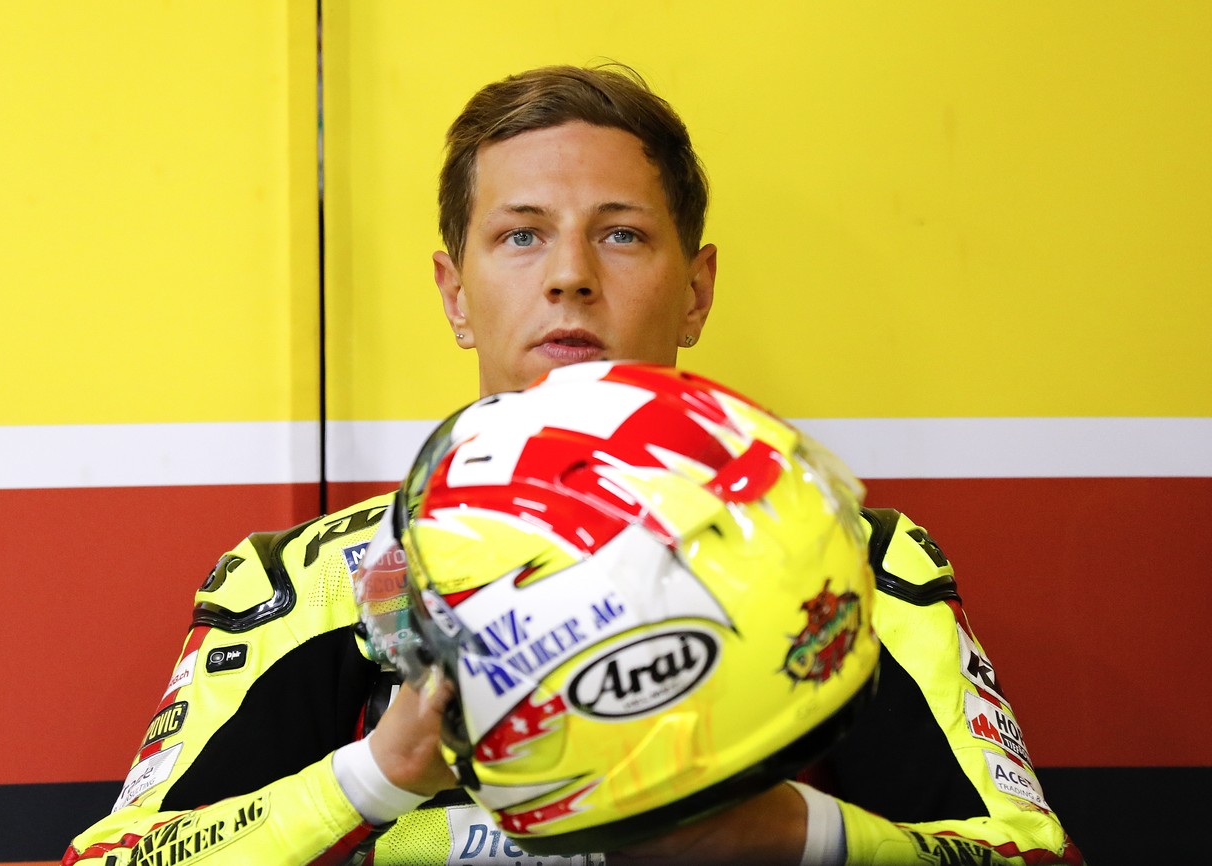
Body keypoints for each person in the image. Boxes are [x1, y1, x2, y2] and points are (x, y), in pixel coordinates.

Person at [63, 64, 1083, 866]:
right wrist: (378, 775)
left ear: (696, 288)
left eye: (623, 234)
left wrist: (788, 830)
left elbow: (1028, 852)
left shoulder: (844, 558)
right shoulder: (310, 586)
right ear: (454, 292)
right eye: (520, 235)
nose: (569, 277)